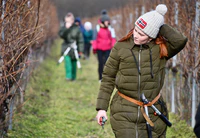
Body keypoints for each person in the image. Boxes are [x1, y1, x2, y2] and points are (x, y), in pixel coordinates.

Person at [95, 4, 187, 138]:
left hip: (153, 111)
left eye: (142, 33)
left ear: (151, 36)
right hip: (123, 111)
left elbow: (180, 41)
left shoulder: (160, 50)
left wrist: (158, 24)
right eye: (135, 30)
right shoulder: (120, 47)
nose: (136, 35)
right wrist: (101, 108)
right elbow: (108, 78)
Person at [58, 12, 84, 81]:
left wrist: (80, 50)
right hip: (66, 47)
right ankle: (68, 77)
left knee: (73, 63)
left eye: (69, 21)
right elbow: (61, 35)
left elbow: (80, 40)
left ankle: (73, 77)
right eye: (66, 21)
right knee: (67, 63)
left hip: (74, 48)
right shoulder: (63, 28)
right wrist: (66, 29)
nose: (67, 22)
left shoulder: (76, 29)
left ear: (72, 21)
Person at [92, 9, 116, 81]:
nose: (108, 22)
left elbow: (113, 38)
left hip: (108, 48)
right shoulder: (97, 28)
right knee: (100, 63)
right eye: (106, 21)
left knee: (107, 63)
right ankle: (100, 78)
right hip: (99, 49)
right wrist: (94, 48)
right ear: (103, 21)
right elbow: (94, 39)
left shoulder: (110, 28)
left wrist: (113, 47)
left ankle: (106, 77)